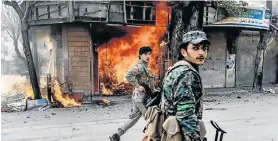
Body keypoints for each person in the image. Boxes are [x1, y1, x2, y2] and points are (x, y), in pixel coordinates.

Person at [161, 30, 210, 141]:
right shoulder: (186, 73)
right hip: (181, 133)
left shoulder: (178, 68)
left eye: (204, 48)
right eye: (195, 48)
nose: (201, 53)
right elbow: (185, 113)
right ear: (183, 52)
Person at [109, 46, 158, 141]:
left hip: (140, 98)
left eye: (149, 54)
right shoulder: (140, 67)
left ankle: (116, 135)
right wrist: (137, 86)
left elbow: (147, 83)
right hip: (140, 99)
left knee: (134, 119)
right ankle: (153, 138)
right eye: (145, 54)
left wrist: (154, 90)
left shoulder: (145, 67)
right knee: (151, 118)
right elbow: (128, 75)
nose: (148, 56)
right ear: (140, 55)